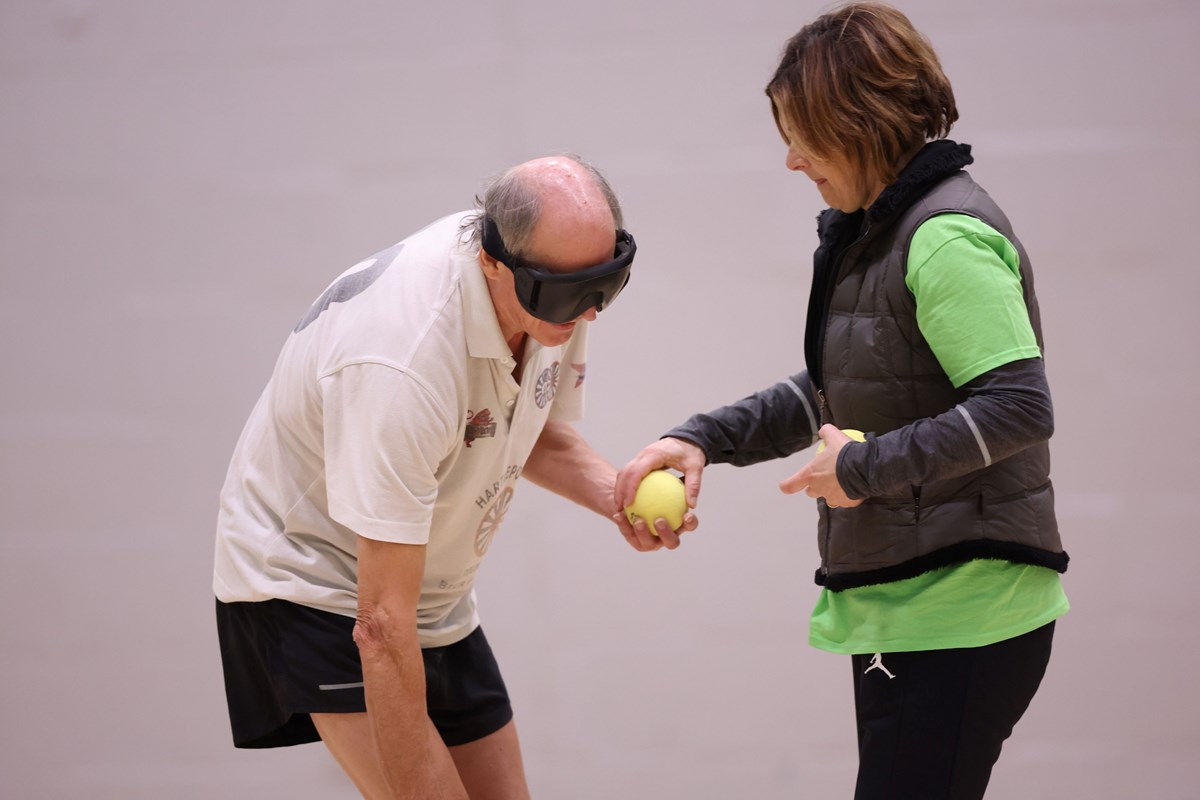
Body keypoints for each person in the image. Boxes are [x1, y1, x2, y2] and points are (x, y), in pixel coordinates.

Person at [615, 4, 1070, 798]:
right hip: (911, 605)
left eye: (804, 134)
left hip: (963, 607)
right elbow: (844, 387)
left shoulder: (944, 238)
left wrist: (861, 469)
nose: (791, 160)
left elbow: (1018, 406)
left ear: (862, 124)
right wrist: (704, 440)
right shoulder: (878, 234)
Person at [213, 154, 683, 799]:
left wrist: (617, 496)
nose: (591, 313)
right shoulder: (403, 361)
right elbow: (378, 624)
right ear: (494, 260)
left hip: (428, 594)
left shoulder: (550, 294)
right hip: (318, 588)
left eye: (608, 282)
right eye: (571, 294)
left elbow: (522, 425)